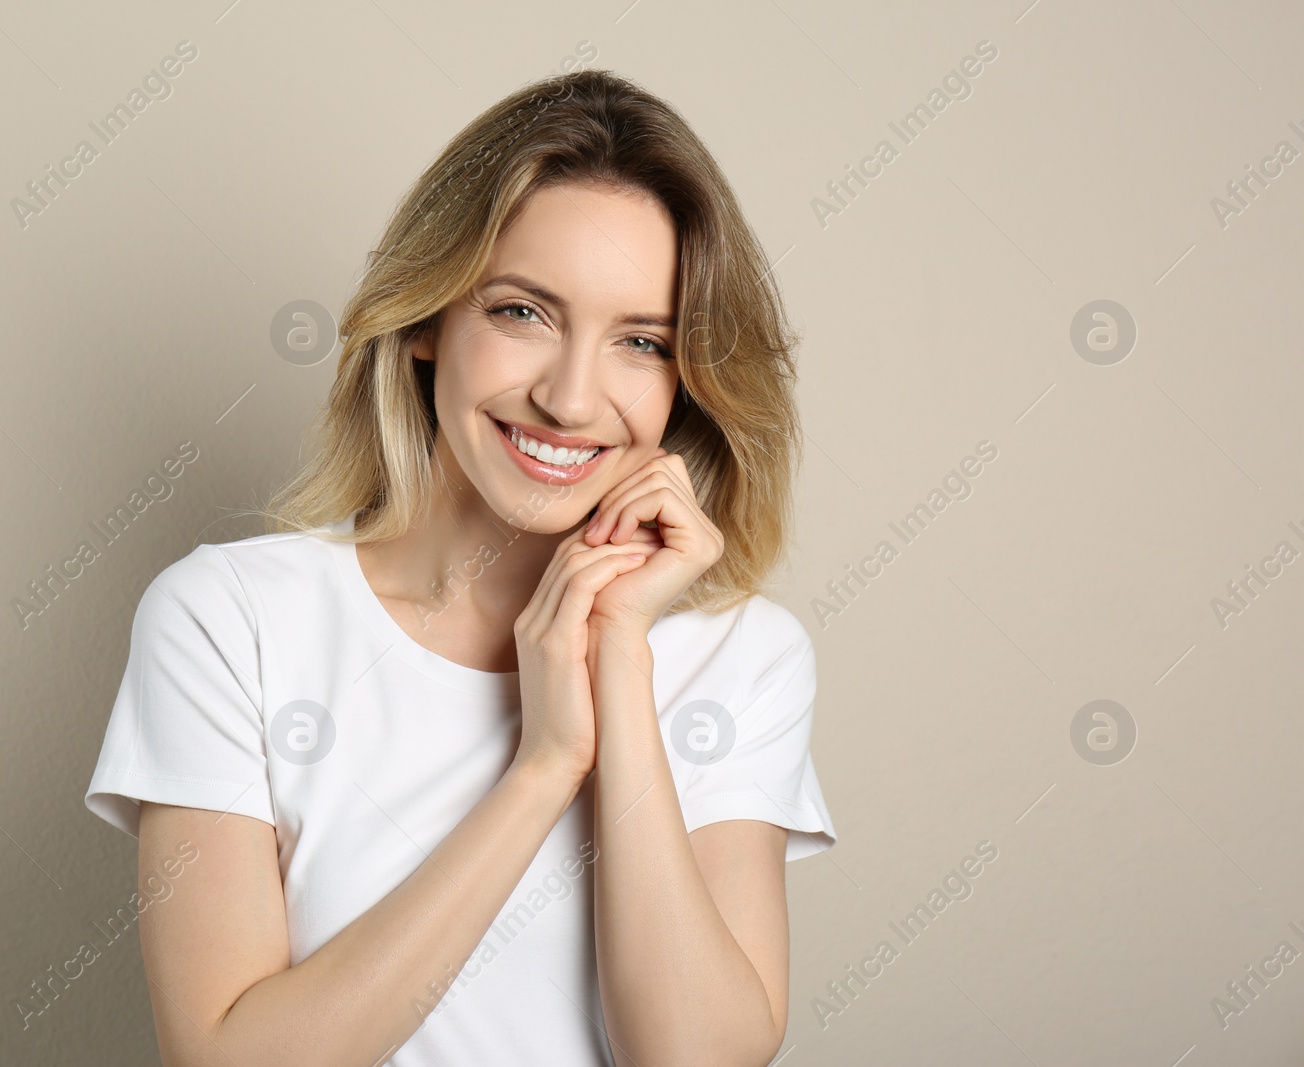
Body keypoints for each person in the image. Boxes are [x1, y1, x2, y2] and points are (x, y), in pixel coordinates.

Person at [85, 67, 836, 1067]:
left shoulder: (742, 654)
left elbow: (698, 1057)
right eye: (524, 312)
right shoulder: (231, 618)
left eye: (641, 341)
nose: (571, 399)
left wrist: (617, 658)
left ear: (685, 381)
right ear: (431, 317)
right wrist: (542, 768)